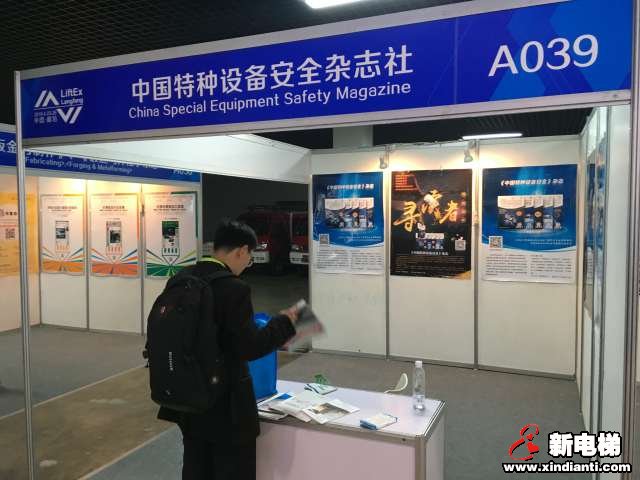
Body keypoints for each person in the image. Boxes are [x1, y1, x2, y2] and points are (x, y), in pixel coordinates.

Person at [157, 219, 298, 480]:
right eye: (250, 257)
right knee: (232, 469)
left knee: (196, 465)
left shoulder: (181, 278)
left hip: (188, 397)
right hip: (226, 405)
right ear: (242, 251)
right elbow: (249, 347)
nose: (247, 264)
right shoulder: (234, 288)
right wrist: (284, 324)